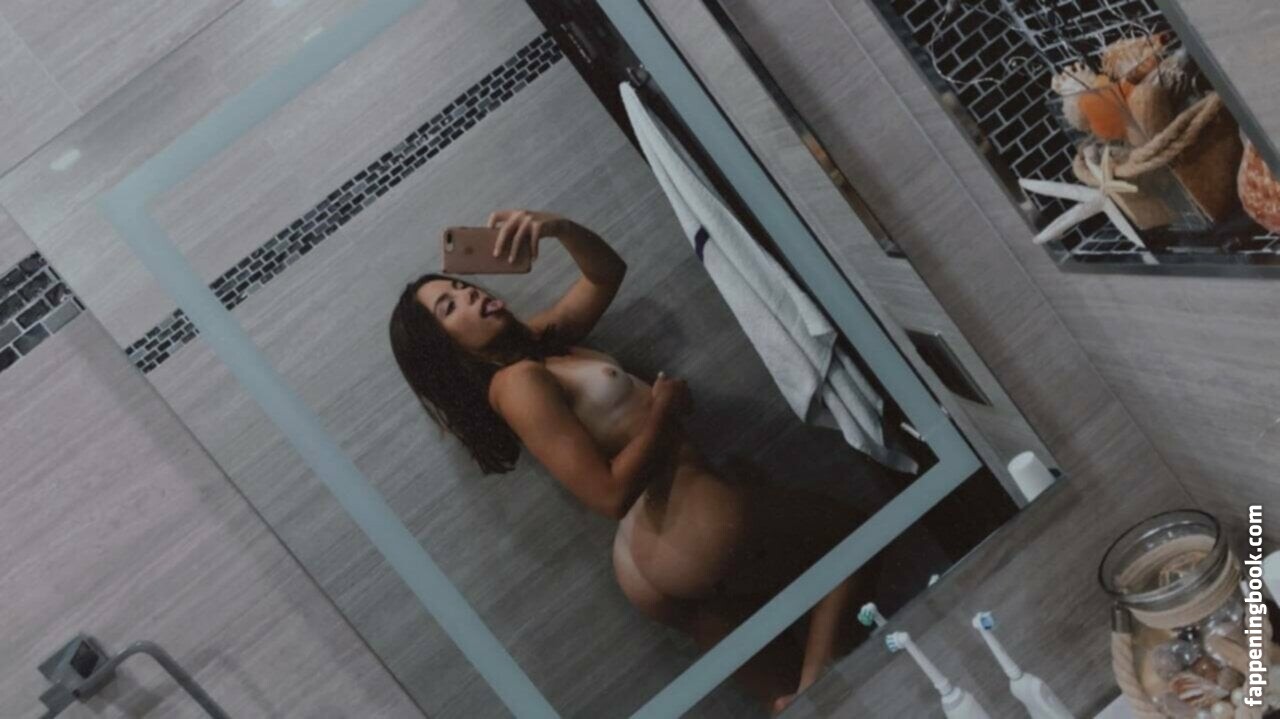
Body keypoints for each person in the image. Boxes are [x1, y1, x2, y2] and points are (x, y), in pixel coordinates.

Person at [388, 208, 879, 713]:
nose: (469, 295)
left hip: (658, 551)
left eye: (460, 286)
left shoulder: (534, 346)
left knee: (784, 699)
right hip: (685, 524)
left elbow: (606, 274)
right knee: (854, 540)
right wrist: (663, 410)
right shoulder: (515, 384)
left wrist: (556, 228)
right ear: (448, 353)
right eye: (450, 307)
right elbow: (607, 495)